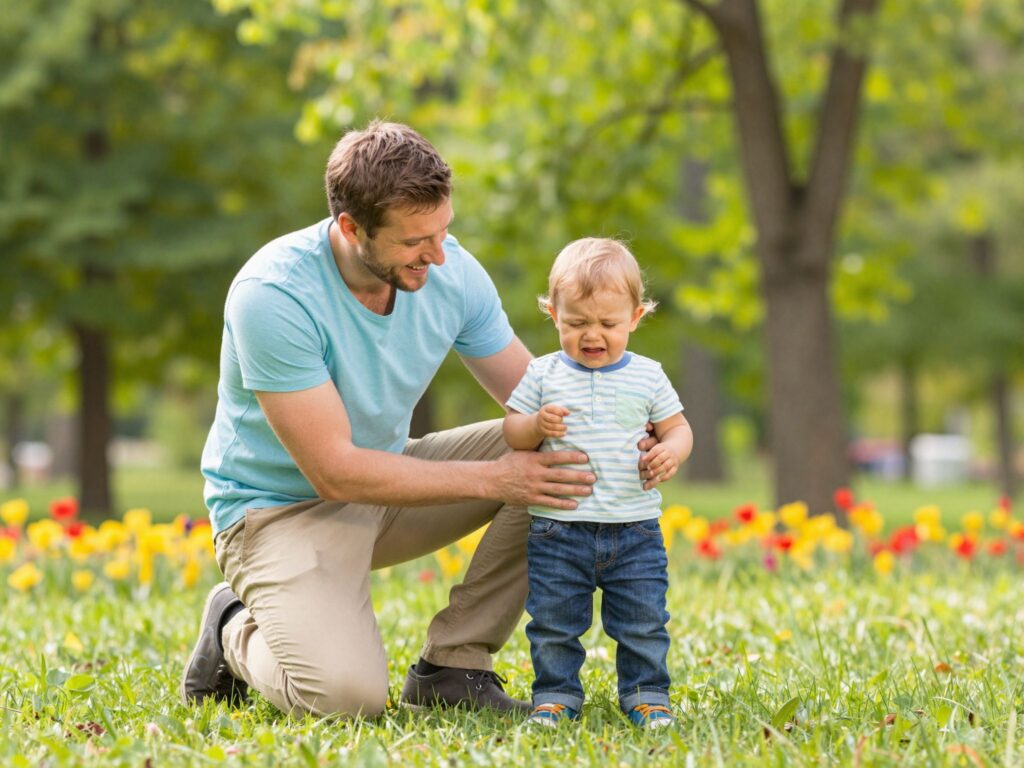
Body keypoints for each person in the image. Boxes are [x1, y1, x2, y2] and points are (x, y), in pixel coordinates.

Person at [180, 121, 668, 719]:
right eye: (416, 241)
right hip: (278, 515)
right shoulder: (273, 296)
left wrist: (630, 432)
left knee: (563, 449)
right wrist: (496, 481)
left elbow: (537, 398)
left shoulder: (450, 270)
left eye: (443, 230)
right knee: (345, 701)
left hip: (388, 485)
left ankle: (455, 666)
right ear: (351, 228)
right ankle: (232, 626)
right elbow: (334, 472)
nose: (437, 255)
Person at [503, 238, 693, 729]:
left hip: (634, 528)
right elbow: (512, 430)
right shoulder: (542, 374)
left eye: (608, 324)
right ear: (553, 314)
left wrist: (670, 451)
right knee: (553, 622)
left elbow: (677, 429)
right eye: (576, 323)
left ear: (635, 316)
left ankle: (647, 694)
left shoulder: (648, 376)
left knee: (644, 621)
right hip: (559, 530)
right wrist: (536, 426)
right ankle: (555, 696)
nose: (593, 335)